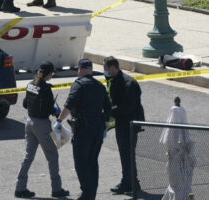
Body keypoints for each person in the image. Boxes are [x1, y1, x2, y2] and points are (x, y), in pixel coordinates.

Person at [55, 58, 111, 200]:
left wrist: (59, 120)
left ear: (79, 69)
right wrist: (103, 122)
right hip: (97, 127)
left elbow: (69, 105)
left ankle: (86, 193)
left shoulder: (79, 85)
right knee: (92, 160)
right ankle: (91, 193)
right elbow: (108, 107)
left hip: (83, 128)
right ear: (91, 70)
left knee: (80, 161)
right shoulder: (99, 85)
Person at [15, 61, 70, 198]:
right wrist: (55, 111)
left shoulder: (31, 84)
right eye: (52, 73)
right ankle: (56, 189)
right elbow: (47, 109)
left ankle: (20, 188)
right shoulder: (45, 88)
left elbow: (25, 104)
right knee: (52, 156)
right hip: (42, 125)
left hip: (29, 122)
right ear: (49, 73)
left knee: (28, 157)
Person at [103, 56, 143, 194]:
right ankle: (127, 182)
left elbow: (129, 107)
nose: (104, 71)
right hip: (122, 122)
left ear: (113, 67)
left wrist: (110, 111)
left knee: (128, 154)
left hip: (130, 124)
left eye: (106, 68)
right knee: (124, 153)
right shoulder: (114, 80)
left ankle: (133, 184)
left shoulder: (128, 83)